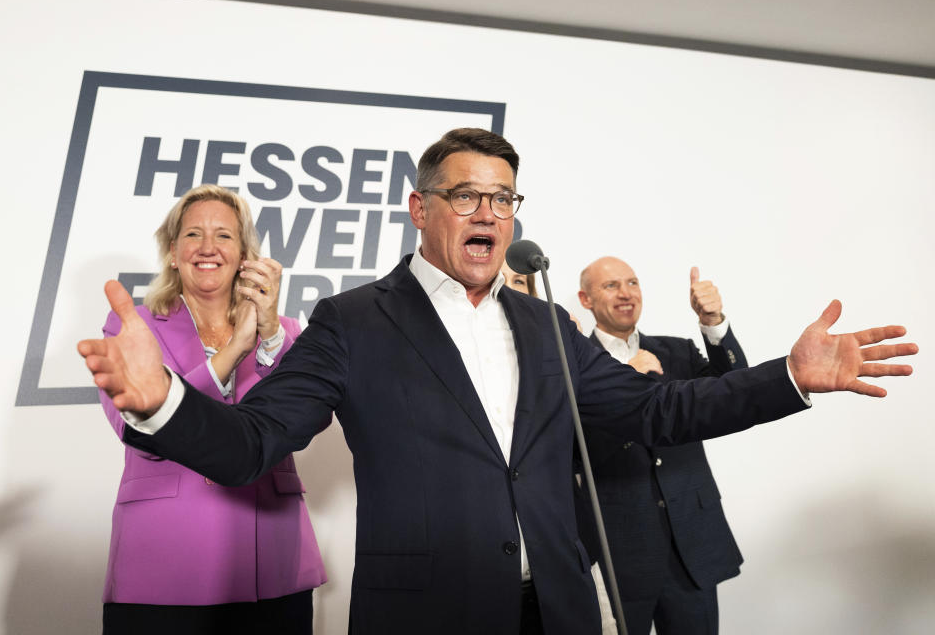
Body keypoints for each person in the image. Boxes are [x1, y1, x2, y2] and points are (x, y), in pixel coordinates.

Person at [79, 128, 916, 635]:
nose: (488, 213)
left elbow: (660, 407)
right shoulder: (353, 320)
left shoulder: (546, 320)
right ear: (418, 208)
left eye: (504, 198)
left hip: (556, 607)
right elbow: (252, 440)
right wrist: (166, 403)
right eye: (467, 195)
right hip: (427, 615)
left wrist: (789, 379)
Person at [98, 185, 326, 635]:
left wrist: (269, 339)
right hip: (164, 562)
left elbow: (300, 417)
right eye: (192, 235)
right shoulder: (133, 326)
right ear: (172, 252)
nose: (207, 248)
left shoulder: (286, 332)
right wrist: (234, 350)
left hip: (272, 560)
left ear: (244, 253)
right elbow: (140, 432)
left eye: (223, 236)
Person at [575, 257, 748, 635]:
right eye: (611, 285)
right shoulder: (572, 363)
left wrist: (713, 323)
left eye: (633, 282)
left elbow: (736, 392)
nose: (626, 293)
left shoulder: (678, 352)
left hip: (690, 545)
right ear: (584, 300)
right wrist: (626, 377)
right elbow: (570, 446)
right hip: (617, 552)